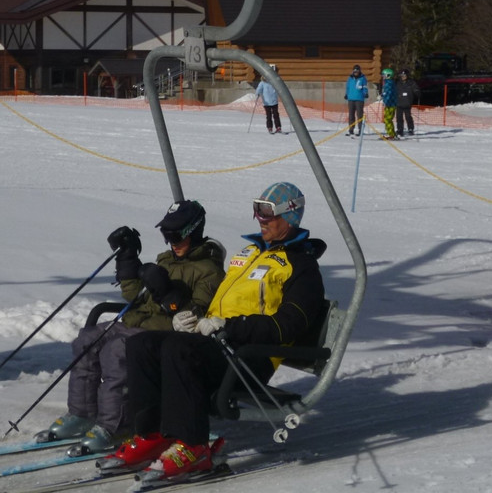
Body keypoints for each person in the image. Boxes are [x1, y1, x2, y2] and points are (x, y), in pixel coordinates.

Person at [106, 181, 326, 480]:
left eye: (268, 215)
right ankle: (152, 434)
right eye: (257, 212)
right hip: (216, 343)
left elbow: (289, 325)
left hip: (250, 356)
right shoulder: (249, 253)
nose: (260, 220)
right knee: (142, 345)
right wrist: (189, 319)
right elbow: (219, 302)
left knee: (178, 349)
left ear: (291, 216)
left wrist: (230, 326)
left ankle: (194, 447)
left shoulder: (302, 267)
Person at [37, 200, 225, 455]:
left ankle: (117, 425)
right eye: (165, 235)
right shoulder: (166, 259)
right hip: (136, 322)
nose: (171, 242)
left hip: (163, 334)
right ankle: (82, 414)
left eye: (175, 235)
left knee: (116, 353)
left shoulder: (209, 271)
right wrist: (127, 260)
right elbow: (135, 297)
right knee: (86, 340)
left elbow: (194, 315)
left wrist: (167, 293)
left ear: (193, 231)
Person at [254, 65, 282, 134]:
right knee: (269, 115)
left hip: (274, 101)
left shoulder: (275, 82)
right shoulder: (262, 83)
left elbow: (280, 89)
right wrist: (257, 93)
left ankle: (278, 127)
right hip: (266, 103)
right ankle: (270, 127)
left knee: (276, 115)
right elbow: (259, 89)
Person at [345, 64, 369, 136]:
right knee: (351, 115)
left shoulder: (362, 78)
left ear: (359, 71)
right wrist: (346, 94)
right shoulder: (350, 78)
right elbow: (348, 87)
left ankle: (360, 130)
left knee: (359, 115)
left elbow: (365, 87)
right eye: (355, 71)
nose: (356, 72)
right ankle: (351, 129)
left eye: (357, 71)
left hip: (359, 98)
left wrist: (365, 93)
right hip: (351, 98)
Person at [396, 68, 417, 137]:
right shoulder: (398, 83)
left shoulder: (411, 83)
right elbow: (394, 90)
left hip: (407, 102)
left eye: (404, 75)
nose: (403, 77)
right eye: (401, 75)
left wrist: (417, 92)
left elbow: (415, 89)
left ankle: (410, 128)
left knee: (408, 116)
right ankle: (400, 129)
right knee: (399, 117)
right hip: (399, 102)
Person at [379, 68, 398, 140]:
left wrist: (385, 99)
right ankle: (391, 134)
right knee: (386, 119)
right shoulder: (387, 83)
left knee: (388, 119)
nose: (383, 77)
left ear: (388, 75)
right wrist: (382, 95)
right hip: (388, 104)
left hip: (390, 104)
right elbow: (386, 93)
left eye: (384, 75)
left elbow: (389, 94)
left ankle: (392, 135)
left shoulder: (389, 83)